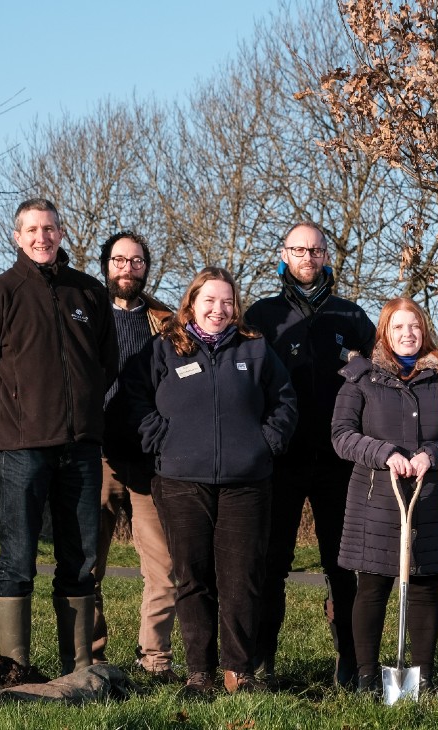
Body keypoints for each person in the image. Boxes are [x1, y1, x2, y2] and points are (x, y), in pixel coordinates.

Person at [0, 198, 115, 675]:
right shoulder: (0, 293)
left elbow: (105, 365)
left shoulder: (88, 292)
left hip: (82, 449)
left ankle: (79, 665)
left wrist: (84, 410)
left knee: (81, 559)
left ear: (61, 234)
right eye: (32, 230)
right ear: (17, 237)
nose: (41, 237)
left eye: (49, 228)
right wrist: (9, 424)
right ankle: (15, 667)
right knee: (18, 557)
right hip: (23, 451)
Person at [126, 266, 298, 697]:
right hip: (181, 481)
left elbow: (284, 402)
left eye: (226, 302)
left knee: (242, 579)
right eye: (209, 300)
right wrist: (158, 439)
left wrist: (265, 444)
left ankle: (239, 671)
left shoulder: (256, 351)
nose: (218, 309)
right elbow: (133, 398)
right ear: (192, 303)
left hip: (247, 482)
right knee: (193, 578)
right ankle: (199, 673)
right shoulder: (165, 348)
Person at [244, 221, 376, 686]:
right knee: (271, 563)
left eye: (315, 250)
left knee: (343, 567)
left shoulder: (351, 317)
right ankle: (262, 661)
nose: (307, 258)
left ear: (325, 254)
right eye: (298, 250)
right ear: (284, 253)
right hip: (278, 462)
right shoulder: (261, 316)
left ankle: (351, 662)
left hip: (339, 462)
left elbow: (375, 382)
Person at [331, 297, 438, 695]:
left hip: (429, 498)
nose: (407, 334)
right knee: (373, 586)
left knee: (423, 586)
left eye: (413, 326)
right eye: (397, 327)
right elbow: (342, 435)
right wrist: (385, 454)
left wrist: (433, 454)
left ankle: (423, 676)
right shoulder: (361, 377)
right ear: (385, 333)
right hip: (375, 499)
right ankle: (366, 676)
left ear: (425, 331)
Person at [91, 231, 180, 683]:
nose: (128, 268)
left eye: (137, 261)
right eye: (119, 260)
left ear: (147, 267)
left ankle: (156, 660)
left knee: (164, 569)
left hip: (149, 461)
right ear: (106, 264)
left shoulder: (167, 322)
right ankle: (90, 659)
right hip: (97, 457)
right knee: (88, 565)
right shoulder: (85, 314)